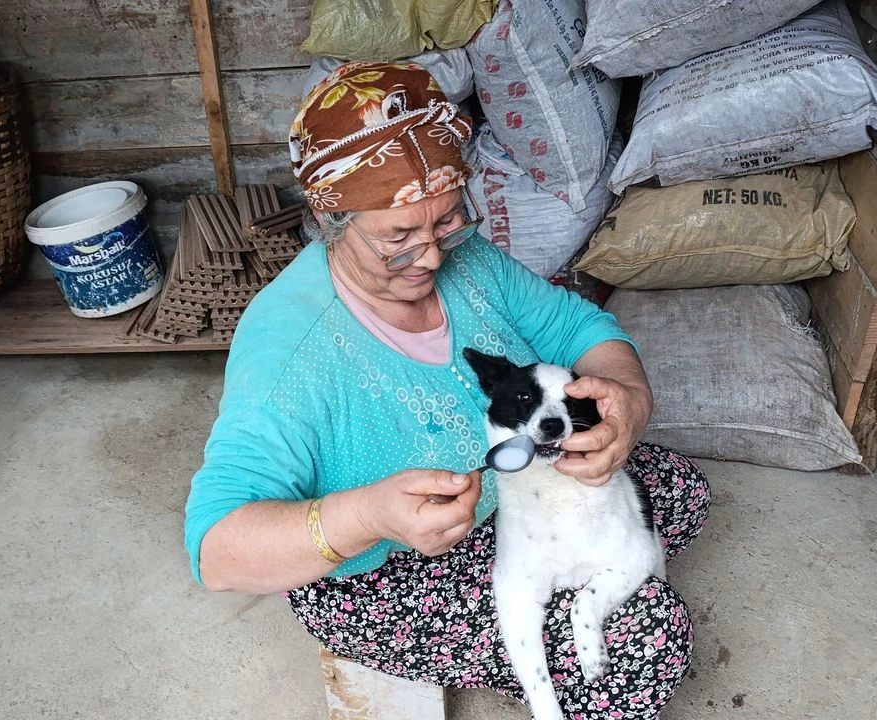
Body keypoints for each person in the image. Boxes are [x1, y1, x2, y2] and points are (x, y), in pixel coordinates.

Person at [184, 61, 710, 719]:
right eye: (399, 238)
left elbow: (575, 325)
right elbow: (216, 548)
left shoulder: (463, 258)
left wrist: (628, 398)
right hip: (386, 572)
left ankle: (544, 643)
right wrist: (370, 514)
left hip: (511, 494)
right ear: (333, 222)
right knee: (646, 634)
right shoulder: (292, 347)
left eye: (444, 223)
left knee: (677, 488)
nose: (431, 257)